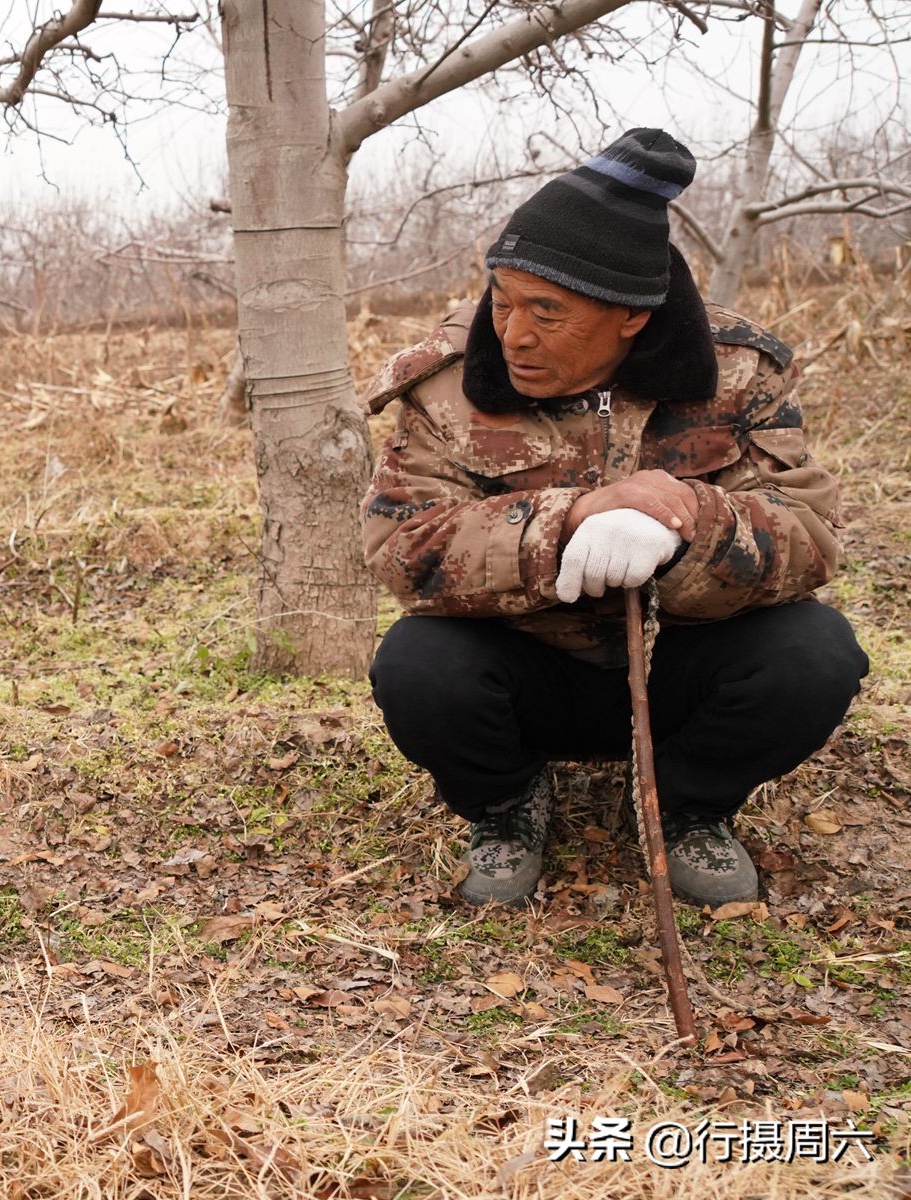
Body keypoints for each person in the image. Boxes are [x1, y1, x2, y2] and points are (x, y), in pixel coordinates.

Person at [361, 128, 869, 908]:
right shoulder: (448, 382)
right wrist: (565, 521)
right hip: (527, 666)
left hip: (683, 666)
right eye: (503, 300)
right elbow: (403, 548)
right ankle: (507, 803)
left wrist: (689, 522)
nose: (514, 333)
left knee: (816, 653)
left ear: (631, 316)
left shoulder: (738, 370)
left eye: (548, 312)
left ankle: (687, 805)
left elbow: (809, 534)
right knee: (417, 665)